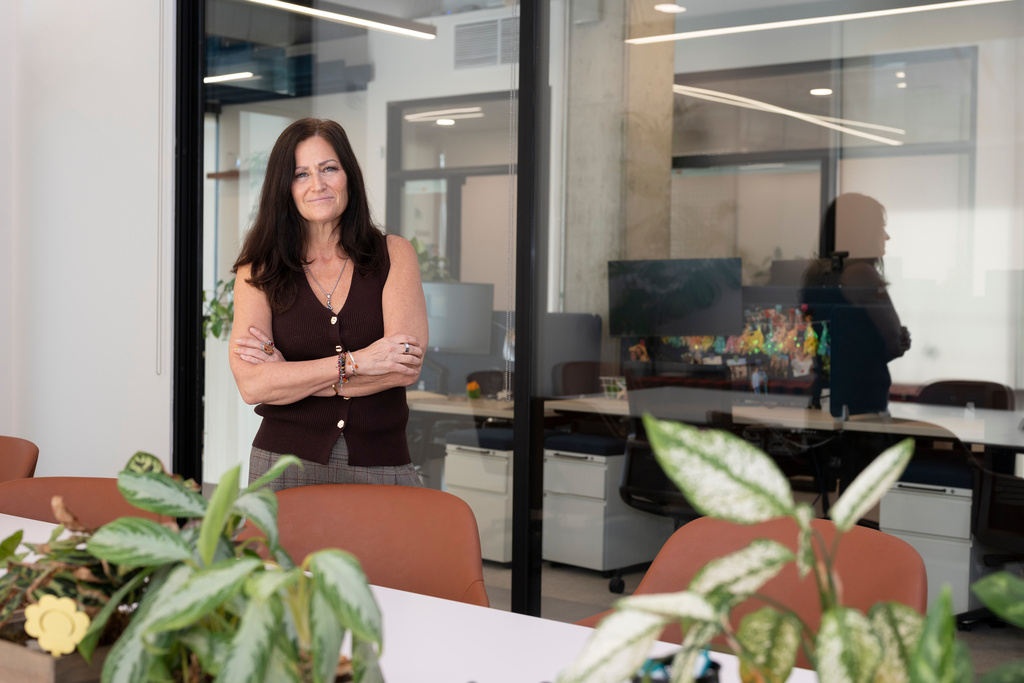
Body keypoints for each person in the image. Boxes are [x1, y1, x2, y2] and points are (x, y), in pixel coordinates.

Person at [230, 118, 428, 490]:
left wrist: (291, 378)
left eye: (328, 169)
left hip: (380, 464)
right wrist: (356, 363)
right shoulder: (258, 269)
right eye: (301, 174)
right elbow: (254, 386)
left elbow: (402, 368)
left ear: (348, 175)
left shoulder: (394, 255)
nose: (317, 185)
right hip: (281, 466)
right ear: (284, 187)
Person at [802, 193, 911, 416]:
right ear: (863, 232)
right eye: (881, 227)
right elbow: (894, 344)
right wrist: (898, 340)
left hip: (826, 395)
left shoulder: (816, 275)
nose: (886, 236)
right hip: (860, 404)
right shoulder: (862, 274)